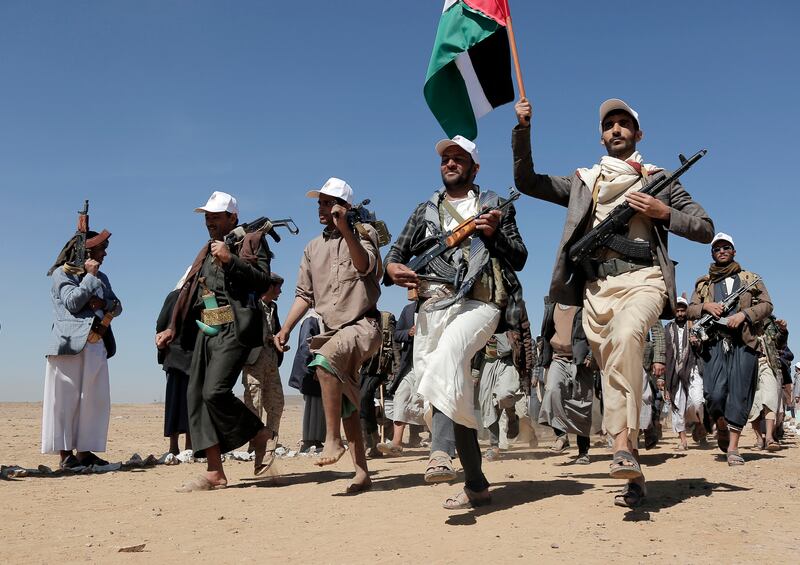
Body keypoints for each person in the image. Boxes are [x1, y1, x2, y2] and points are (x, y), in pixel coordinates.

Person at [513, 97, 714, 507]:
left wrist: (662, 212)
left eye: (624, 124)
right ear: (601, 136)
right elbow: (527, 181)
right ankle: (632, 470)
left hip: (645, 279)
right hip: (596, 291)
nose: (616, 130)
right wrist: (523, 129)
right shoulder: (585, 181)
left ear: (638, 134)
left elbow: (705, 228)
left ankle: (620, 440)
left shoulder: (659, 178)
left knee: (626, 340)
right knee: (613, 373)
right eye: (610, 125)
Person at [385, 135, 528, 509]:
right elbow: (395, 256)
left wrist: (493, 234)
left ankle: (439, 452)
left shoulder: (494, 205)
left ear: (474, 167)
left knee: (450, 354)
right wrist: (394, 268)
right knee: (454, 390)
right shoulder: (424, 211)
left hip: (481, 304)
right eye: (445, 159)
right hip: (433, 307)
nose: (450, 163)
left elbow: (520, 256)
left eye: (459, 158)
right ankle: (476, 484)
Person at [156, 191, 273, 491]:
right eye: (207, 216)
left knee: (215, 392)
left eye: (216, 216)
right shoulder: (205, 251)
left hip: (236, 328)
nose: (209, 221)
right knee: (196, 395)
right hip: (207, 330)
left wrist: (231, 260)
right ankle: (214, 472)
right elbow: (189, 291)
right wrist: (172, 327)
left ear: (232, 217)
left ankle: (259, 435)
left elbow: (262, 281)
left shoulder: (252, 241)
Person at [274, 178, 382, 494]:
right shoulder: (312, 248)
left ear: (345, 207)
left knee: (323, 362)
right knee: (347, 400)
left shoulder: (365, 234)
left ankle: (331, 438)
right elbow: (304, 295)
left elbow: (367, 269)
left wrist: (347, 229)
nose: (322, 209)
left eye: (328, 202)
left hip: (363, 327)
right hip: (331, 332)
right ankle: (362, 474)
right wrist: (285, 329)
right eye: (319, 203)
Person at [687, 232, 773, 466]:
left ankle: (733, 448)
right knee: (713, 394)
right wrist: (706, 306)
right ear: (712, 253)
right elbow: (690, 310)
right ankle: (720, 424)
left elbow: (767, 305)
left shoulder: (749, 278)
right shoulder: (704, 283)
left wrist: (744, 314)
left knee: (739, 394)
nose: (722, 251)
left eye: (726, 247)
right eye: (717, 248)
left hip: (744, 343)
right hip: (714, 343)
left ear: (734, 251)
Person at [42, 228, 122, 469]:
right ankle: (66, 456)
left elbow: (117, 307)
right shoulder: (60, 275)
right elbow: (73, 303)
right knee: (64, 401)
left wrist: (102, 302)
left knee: (93, 400)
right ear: (86, 252)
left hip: (96, 342)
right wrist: (88, 278)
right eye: (101, 249)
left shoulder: (103, 277)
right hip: (68, 346)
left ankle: (85, 453)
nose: (105, 254)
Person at [537, 300, 594, 464]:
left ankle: (583, 451)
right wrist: (544, 359)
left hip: (582, 360)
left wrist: (592, 354)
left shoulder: (584, 303)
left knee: (582, 404)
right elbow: (546, 333)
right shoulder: (551, 306)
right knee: (553, 391)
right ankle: (561, 436)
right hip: (558, 358)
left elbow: (597, 329)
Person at [241, 273, 285, 467]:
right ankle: (258, 451)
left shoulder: (273, 308)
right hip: (254, 365)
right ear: (269, 287)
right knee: (254, 408)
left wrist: (279, 341)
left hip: (271, 364)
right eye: (277, 287)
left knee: (277, 404)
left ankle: (270, 448)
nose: (280, 292)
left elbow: (277, 331)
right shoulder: (252, 305)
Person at [377, 302, 426, 456]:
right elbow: (397, 334)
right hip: (411, 365)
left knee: (433, 403)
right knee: (401, 396)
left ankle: (444, 443)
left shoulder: (442, 307)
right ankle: (396, 443)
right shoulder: (409, 309)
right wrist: (409, 333)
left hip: (433, 364)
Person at [156, 275, 193, 456]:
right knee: (181, 402)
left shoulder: (199, 297)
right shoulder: (175, 296)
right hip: (180, 356)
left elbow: (160, 324)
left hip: (187, 357)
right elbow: (161, 324)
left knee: (184, 402)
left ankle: (184, 447)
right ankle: (178, 447)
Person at [663, 296, 705, 450]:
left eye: (683, 310)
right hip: (673, 372)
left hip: (693, 369)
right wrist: (663, 378)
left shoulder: (695, 326)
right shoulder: (667, 328)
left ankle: (698, 423)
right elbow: (662, 352)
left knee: (698, 402)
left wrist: (697, 342)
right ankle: (683, 441)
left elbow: (704, 348)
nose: (680, 313)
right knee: (677, 407)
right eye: (677, 310)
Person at [477, 333, 520, 461]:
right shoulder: (481, 317)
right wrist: (474, 371)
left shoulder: (512, 314)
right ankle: (494, 446)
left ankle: (512, 417)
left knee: (504, 395)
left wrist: (526, 369)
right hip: (486, 363)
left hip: (508, 362)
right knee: (489, 406)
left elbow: (525, 340)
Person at [747, 315, 787, 451]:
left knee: (770, 398)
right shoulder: (742, 319)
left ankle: (769, 437)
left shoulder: (770, 322)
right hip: (749, 366)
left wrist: (783, 331)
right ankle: (759, 438)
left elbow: (780, 344)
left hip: (769, 364)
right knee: (752, 404)